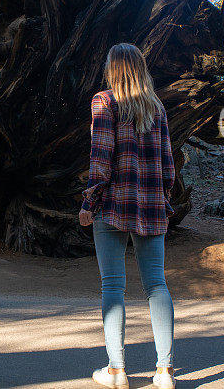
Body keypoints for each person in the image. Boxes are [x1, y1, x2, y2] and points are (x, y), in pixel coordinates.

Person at [79, 42, 176, 389]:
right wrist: (162, 200)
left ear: (113, 68)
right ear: (140, 68)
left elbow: (101, 159)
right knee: (156, 284)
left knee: (113, 286)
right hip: (150, 206)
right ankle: (165, 372)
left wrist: (89, 204)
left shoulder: (104, 101)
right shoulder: (157, 107)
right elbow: (168, 166)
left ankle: (117, 370)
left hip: (113, 205)